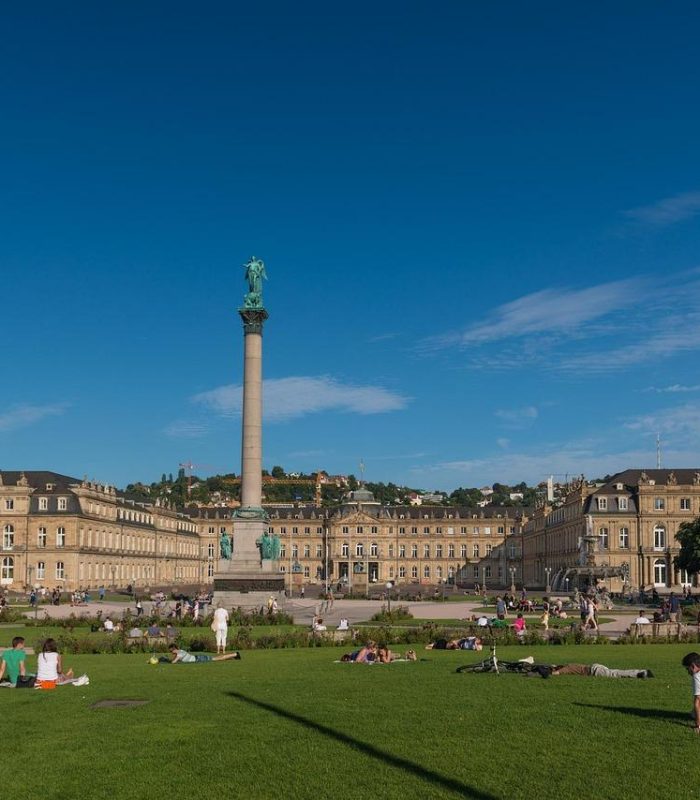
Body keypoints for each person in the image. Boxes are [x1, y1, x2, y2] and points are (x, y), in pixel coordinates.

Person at [549, 662, 653, 679]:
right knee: (616, 672)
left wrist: (549, 672)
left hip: (594, 671)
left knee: (615, 674)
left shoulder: (567, 668)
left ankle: (640, 673)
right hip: (595, 667)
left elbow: (557, 672)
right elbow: (556, 667)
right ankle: (639, 671)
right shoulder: (570, 665)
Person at [681, 652, 700, 734]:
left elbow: (697, 702)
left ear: (693, 666)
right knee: (693, 714)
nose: (688, 672)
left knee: (694, 714)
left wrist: (698, 725)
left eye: (687, 669)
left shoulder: (697, 676)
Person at [168, 644, 240, 663]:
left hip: (199, 659)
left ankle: (235, 654)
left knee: (217, 658)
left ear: (174, 650)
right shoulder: (180, 651)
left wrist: (169, 660)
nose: (171, 653)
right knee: (217, 658)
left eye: (171, 651)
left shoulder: (179, 654)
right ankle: (234, 655)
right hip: (198, 658)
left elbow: (174, 662)